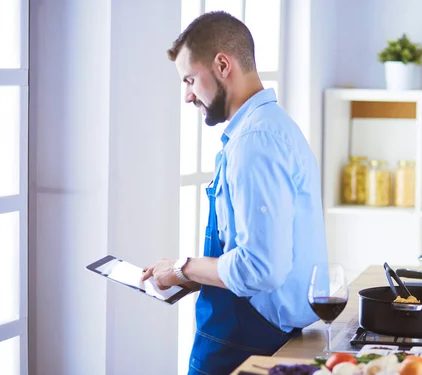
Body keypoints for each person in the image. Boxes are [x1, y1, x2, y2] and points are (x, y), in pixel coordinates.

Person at [141, 10, 329, 375]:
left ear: (223, 65)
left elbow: (260, 269)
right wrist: (186, 276)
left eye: (190, 79)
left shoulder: (255, 141)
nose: (187, 95)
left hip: (248, 343)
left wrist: (183, 267)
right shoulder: (273, 127)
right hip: (262, 334)